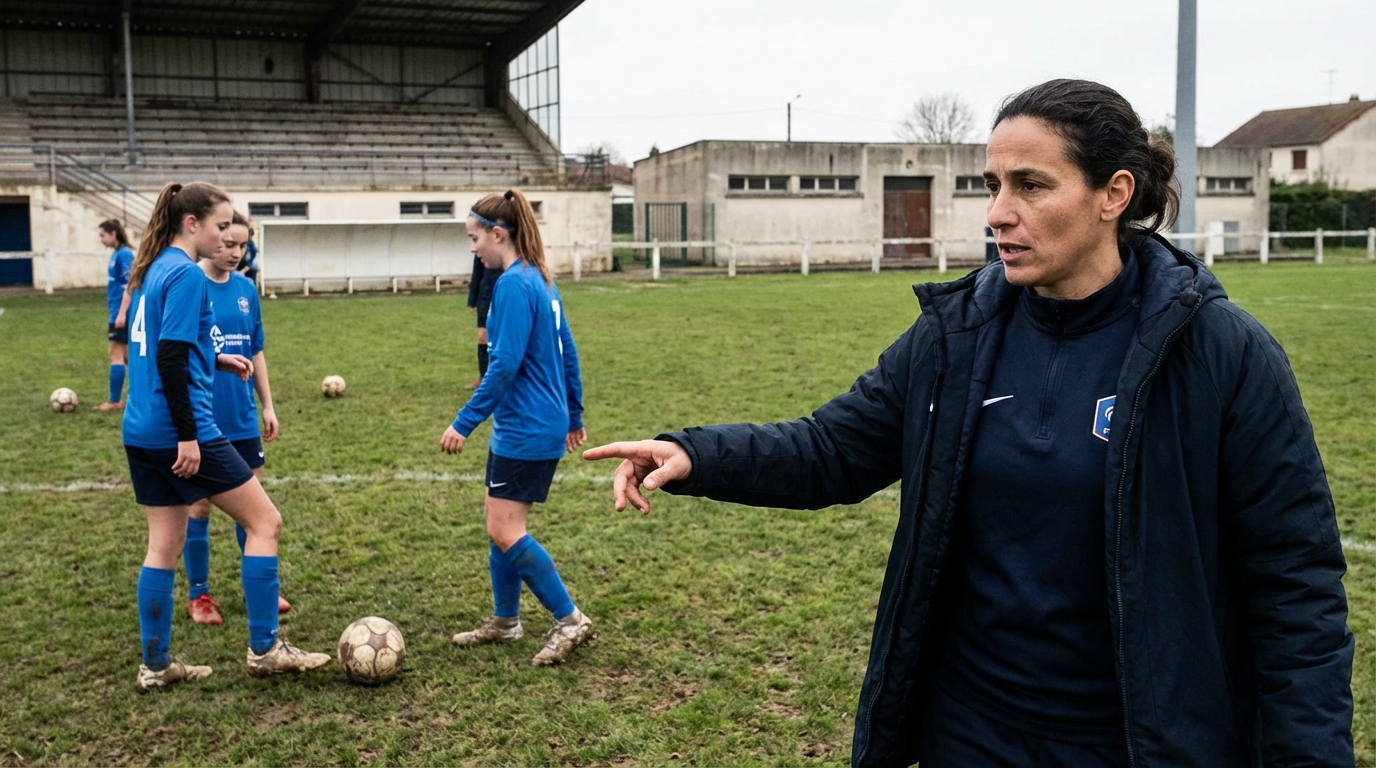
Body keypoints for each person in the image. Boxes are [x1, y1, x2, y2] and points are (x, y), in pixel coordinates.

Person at [585, 79, 1353, 767]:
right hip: (971, 731)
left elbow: (1296, 583)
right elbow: (832, 449)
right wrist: (695, 453)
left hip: (1137, 739)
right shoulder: (957, 336)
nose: (998, 214)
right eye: (991, 185)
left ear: (1113, 193)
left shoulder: (1222, 353)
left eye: (1029, 185)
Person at [123, 181, 330, 692]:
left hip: (141, 428)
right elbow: (170, 358)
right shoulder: (188, 275)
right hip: (182, 429)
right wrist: (189, 437)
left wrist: (213, 357)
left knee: (161, 547)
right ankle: (266, 648)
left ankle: (156, 664)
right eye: (220, 227)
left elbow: (157, 350)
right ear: (191, 225)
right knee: (266, 522)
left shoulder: (152, 270)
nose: (226, 238)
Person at [441, 188, 592, 667]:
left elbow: (502, 366)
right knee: (497, 524)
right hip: (534, 423)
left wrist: (463, 422)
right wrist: (574, 412)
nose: (473, 248)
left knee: (505, 529)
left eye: (474, 238)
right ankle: (506, 621)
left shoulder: (511, 284)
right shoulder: (541, 280)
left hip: (525, 427)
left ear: (498, 234)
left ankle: (569, 619)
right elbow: (567, 350)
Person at [181, 211, 290, 625]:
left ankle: (257, 588)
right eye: (227, 244)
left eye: (243, 246)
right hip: (203, 417)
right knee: (200, 507)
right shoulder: (190, 283)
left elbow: (256, 348)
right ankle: (199, 596)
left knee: (254, 509)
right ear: (211, 237)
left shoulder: (246, 288)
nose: (234, 253)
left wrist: (267, 404)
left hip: (242, 416)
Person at [96, 219, 136, 412]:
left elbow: (131, 284)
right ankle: (144, 397)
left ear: (114, 234)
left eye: (103, 235)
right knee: (130, 357)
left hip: (122, 313)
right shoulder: (117, 254)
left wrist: (121, 314)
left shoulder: (125, 255)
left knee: (116, 355)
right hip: (117, 311)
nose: (101, 240)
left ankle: (114, 402)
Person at [465, 253, 503, 389]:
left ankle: (501, 378)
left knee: (502, 338)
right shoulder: (482, 247)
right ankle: (484, 378)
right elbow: (477, 273)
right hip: (485, 299)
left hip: (503, 297)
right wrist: (473, 300)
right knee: (483, 337)